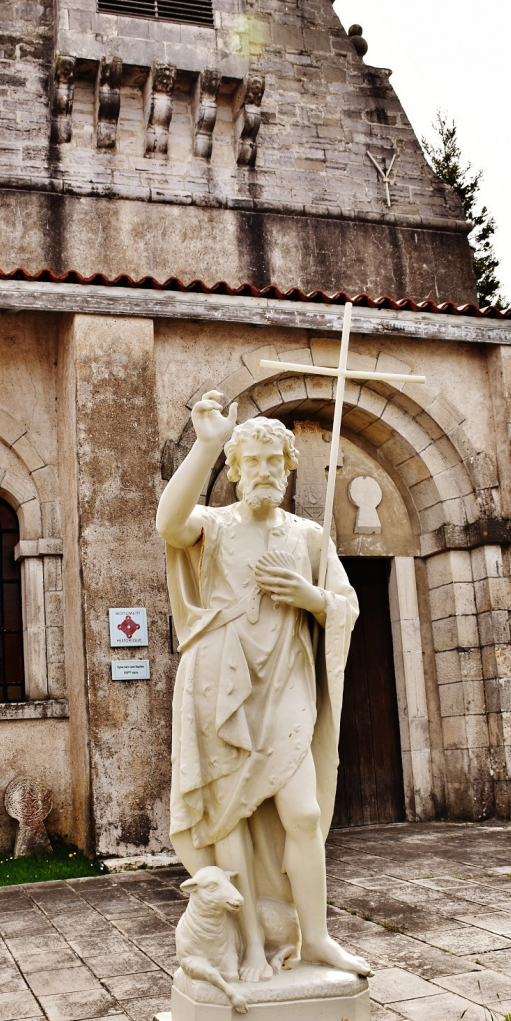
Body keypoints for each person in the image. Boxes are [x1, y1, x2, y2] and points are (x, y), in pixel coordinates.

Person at [157, 391, 371, 982]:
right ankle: (250, 944)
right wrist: (204, 444)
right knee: (229, 824)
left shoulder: (308, 537)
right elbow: (169, 523)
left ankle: (317, 937)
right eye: (252, 462)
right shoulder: (216, 527)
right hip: (221, 687)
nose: (265, 472)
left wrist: (312, 599)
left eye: (275, 462)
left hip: (286, 683)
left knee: (302, 813)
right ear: (234, 470)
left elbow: (347, 607)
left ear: (289, 468)